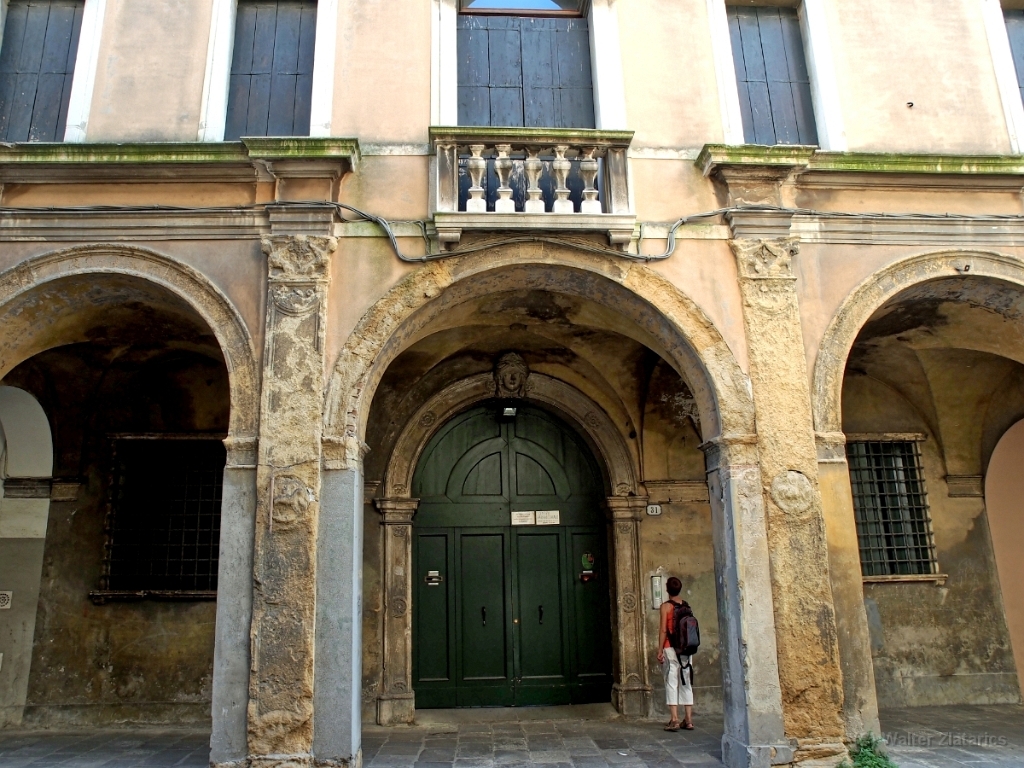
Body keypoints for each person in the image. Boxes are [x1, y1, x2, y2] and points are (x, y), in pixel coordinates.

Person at [657, 576, 694, 731]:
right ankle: (689, 720)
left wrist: (660, 649)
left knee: (672, 681)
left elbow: (663, 630)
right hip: (686, 649)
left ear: (667, 589)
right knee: (686, 681)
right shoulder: (686, 606)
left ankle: (674, 719)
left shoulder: (665, 607)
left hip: (670, 647)